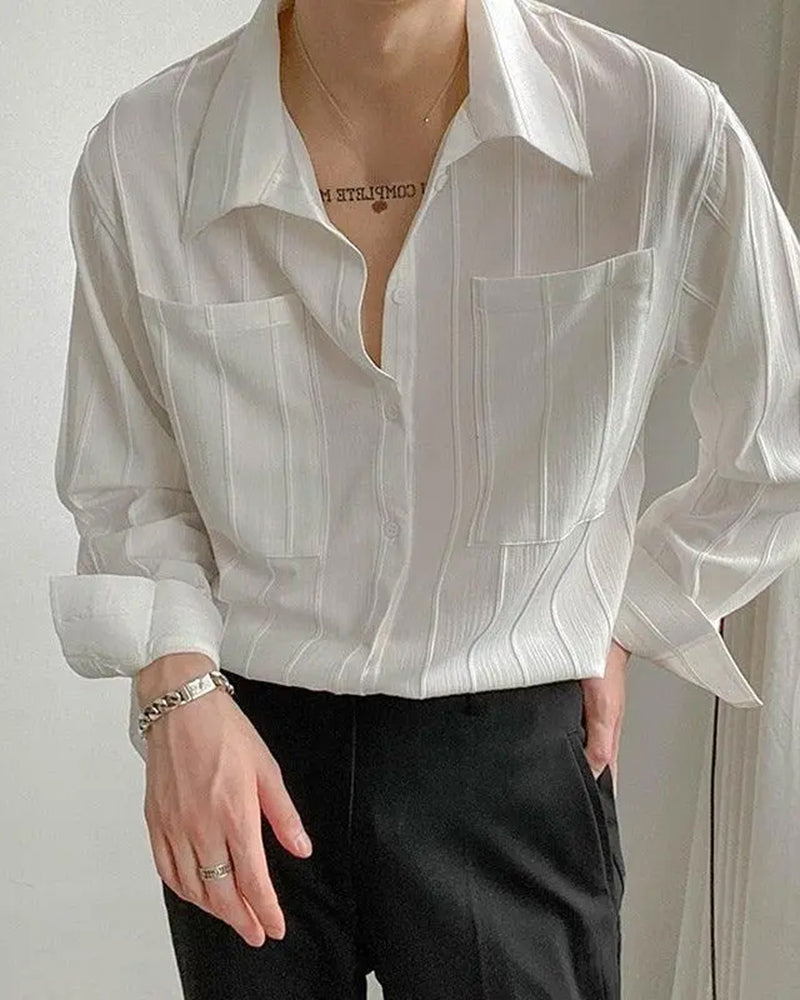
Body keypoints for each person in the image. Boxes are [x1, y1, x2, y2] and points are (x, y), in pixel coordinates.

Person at [47, 0, 800, 997]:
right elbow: (127, 476)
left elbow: (782, 437)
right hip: (241, 737)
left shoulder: (654, 127)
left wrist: (627, 614)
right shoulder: (145, 153)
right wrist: (175, 686)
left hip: (510, 759)